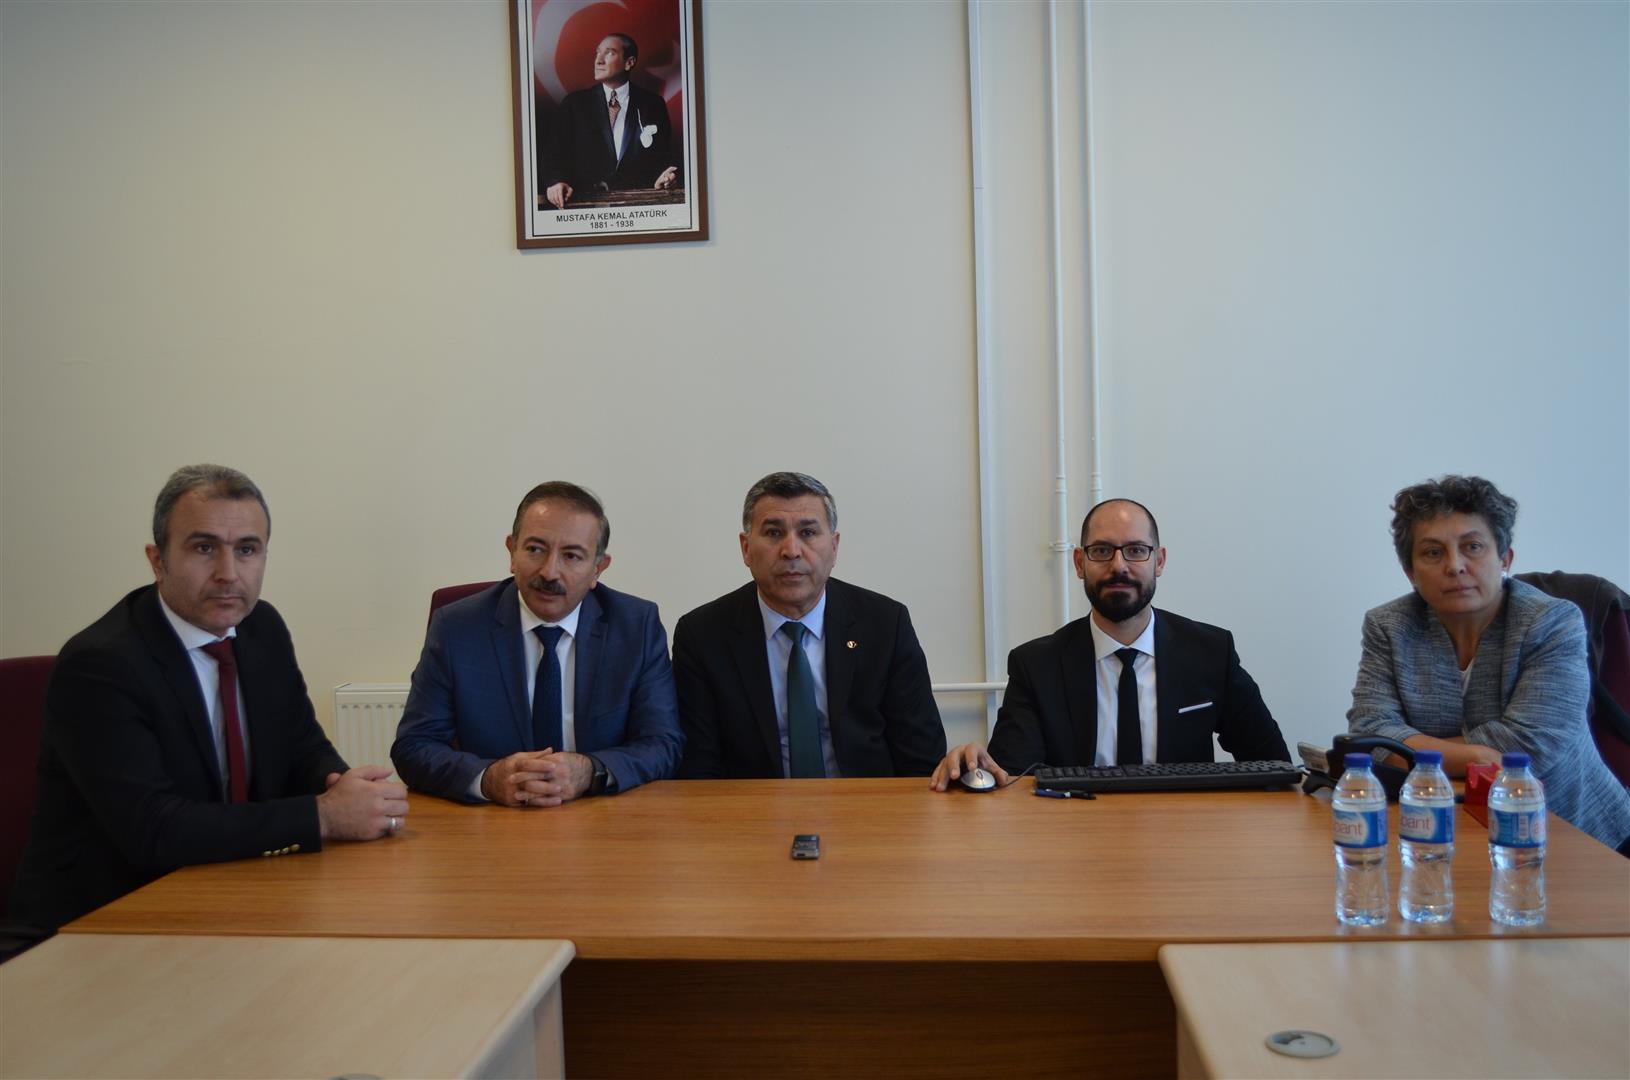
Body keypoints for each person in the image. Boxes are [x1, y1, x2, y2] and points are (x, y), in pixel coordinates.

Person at [9, 465, 405, 934]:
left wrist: (344, 786)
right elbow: (154, 830)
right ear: (157, 560)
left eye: (247, 550)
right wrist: (324, 816)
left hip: (230, 893)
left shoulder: (261, 628)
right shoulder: (100, 664)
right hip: (100, 925)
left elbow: (301, 745)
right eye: (203, 548)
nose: (228, 574)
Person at [1347, 475, 1630, 852]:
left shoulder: (1552, 621)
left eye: (1473, 547)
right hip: (1448, 833)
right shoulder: (1389, 626)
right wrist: (1478, 755)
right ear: (1410, 573)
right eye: (1433, 553)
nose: (1455, 566)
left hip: (1577, 837)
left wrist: (1411, 749)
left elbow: (1530, 745)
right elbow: (1368, 733)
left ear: (1504, 559)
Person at [931, 498, 1288, 790]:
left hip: (1182, 839)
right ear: (1079, 563)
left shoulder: (1210, 652)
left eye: (1136, 550)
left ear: (1159, 561)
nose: (1119, 566)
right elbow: (1011, 779)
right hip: (1076, 839)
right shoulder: (1036, 665)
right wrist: (975, 764)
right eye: (1102, 551)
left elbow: (1274, 763)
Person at [391, 482, 682, 806]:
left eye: (571, 556)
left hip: (601, 812)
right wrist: (487, 779)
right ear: (511, 552)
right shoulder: (456, 627)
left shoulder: (635, 627)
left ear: (598, 568)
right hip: (494, 817)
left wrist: (590, 771)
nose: (550, 572)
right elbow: (414, 746)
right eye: (535, 549)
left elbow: (663, 743)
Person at [673, 471, 946, 779]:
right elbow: (698, 771)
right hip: (753, 805)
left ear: (834, 546)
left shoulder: (885, 624)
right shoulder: (702, 636)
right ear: (746, 548)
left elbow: (922, 759)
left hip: (864, 802)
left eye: (807, 532)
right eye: (773, 533)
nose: (791, 550)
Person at [541, 33, 678, 210]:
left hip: (636, 208)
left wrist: (665, 177)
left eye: (609, 53)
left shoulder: (653, 104)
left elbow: (664, 157)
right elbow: (553, 155)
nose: (598, 60)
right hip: (585, 208)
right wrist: (556, 181)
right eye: (598, 53)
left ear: (629, 62)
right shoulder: (574, 104)